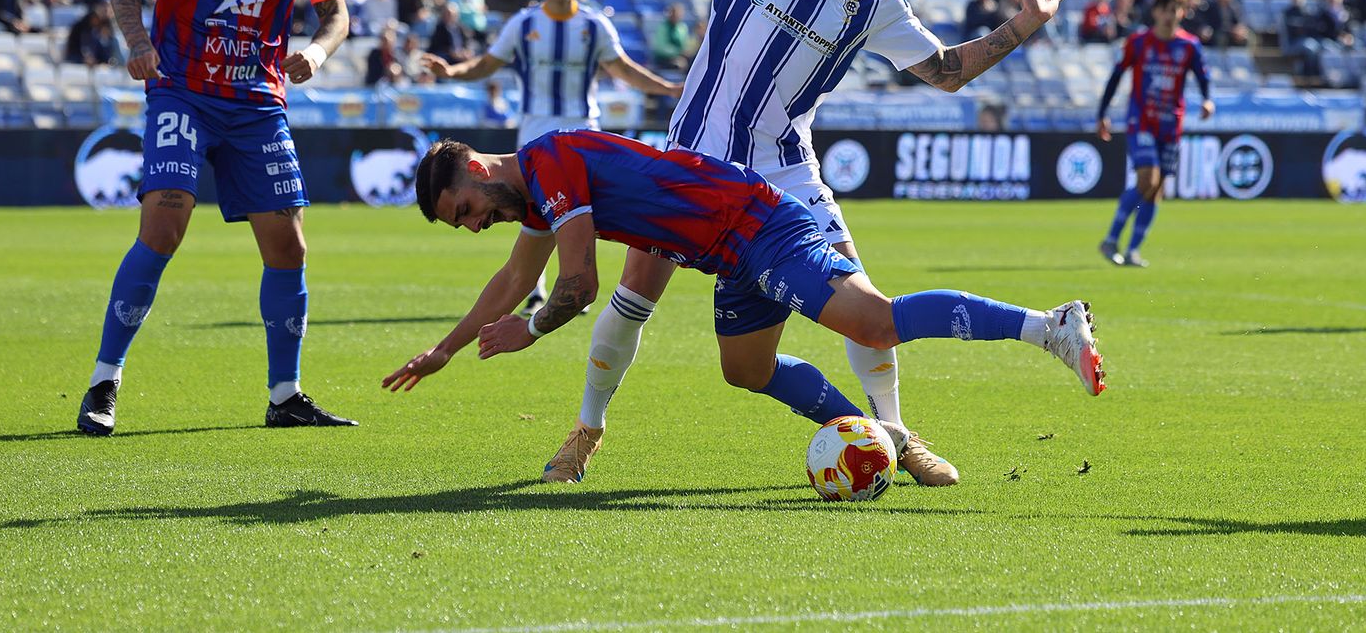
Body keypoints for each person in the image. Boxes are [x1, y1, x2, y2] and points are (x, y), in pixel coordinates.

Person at [496, 0, 1062, 487]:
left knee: (863, 301)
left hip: (785, 171)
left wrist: (1023, 25)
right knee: (636, 295)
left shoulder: (874, 1)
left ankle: (895, 433)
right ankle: (587, 429)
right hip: (693, 160)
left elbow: (947, 71)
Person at [383, 132, 1104, 476]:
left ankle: (1050, 327)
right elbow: (513, 277)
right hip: (728, 253)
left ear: (475, 167)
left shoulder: (549, 164)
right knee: (746, 369)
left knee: (873, 321)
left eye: (465, 209)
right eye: (462, 223)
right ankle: (890, 439)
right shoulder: (538, 192)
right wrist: (445, 349)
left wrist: (534, 328)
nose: (474, 224)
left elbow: (577, 285)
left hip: (758, 224)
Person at [74, 0, 355, 437]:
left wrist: (316, 51)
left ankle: (285, 395)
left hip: (257, 101)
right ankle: (104, 380)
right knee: (165, 222)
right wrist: (137, 43)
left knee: (288, 243)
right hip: (184, 92)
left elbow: (335, 13)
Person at [422, 0, 682, 310]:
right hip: (535, 132)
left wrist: (668, 88)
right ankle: (536, 290)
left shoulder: (594, 25)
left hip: (582, 131)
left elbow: (623, 68)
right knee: (531, 210)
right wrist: (453, 72)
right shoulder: (523, 24)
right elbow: (487, 64)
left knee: (582, 211)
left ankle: (575, 282)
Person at [1095, 0, 1214, 268]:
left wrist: (1207, 100)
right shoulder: (1138, 42)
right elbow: (1116, 76)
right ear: (1156, 12)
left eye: (1176, 10)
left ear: (1182, 13)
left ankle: (1132, 250)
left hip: (1171, 125)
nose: (1171, 15)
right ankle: (1111, 238)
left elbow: (1203, 77)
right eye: (1166, 9)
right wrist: (1102, 113)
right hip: (1141, 121)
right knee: (1147, 180)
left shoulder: (1189, 46)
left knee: (1157, 189)